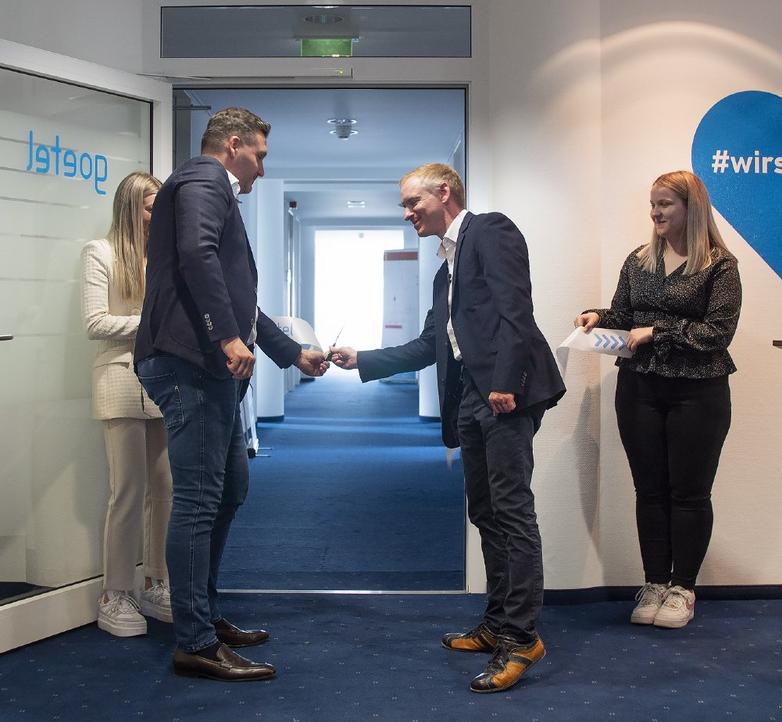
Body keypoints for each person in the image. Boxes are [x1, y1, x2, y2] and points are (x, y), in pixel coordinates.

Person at [329, 162, 565, 694]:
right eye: (404, 206)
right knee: (486, 513)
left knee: (512, 513)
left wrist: (505, 382)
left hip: (505, 395)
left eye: (413, 202)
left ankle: (522, 638)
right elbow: (428, 346)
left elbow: (516, 311)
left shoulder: (491, 230)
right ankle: (497, 623)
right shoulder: (445, 271)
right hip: (471, 399)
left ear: (444, 193)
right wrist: (362, 358)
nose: (407, 213)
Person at [134, 107, 329, 681]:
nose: (262, 169)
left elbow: (241, 298)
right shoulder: (203, 179)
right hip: (188, 363)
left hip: (205, 367)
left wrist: (291, 353)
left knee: (229, 489)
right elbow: (197, 256)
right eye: (259, 156)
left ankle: (202, 615)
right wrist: (224, 335)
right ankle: (194, 641)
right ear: (234, 144)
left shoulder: (211, 188)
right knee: (199, 500)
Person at [575, 170, 741, 629]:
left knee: (688, 493)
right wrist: (598, 316)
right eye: (653, 204)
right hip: (640, 387)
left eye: (665, 204)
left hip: (698, 391)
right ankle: (654, 583)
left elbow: (718, 333)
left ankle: (682, 588)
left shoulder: (721, 266)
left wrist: (658, 331)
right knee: (648, 491)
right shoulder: (639, 260)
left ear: (692, 207)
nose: (655, 212)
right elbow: (624, 315)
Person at [81, 171, 172, 637]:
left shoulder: (163, 255)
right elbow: (95, 322)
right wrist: (150, 321)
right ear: (131, 207)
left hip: (161, 379)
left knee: (165, 487)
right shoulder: (100, 252)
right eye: (152, 207)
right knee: (129, 490)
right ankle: (115, 592)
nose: (159, 215)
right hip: (118, 378)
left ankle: (156, 581)